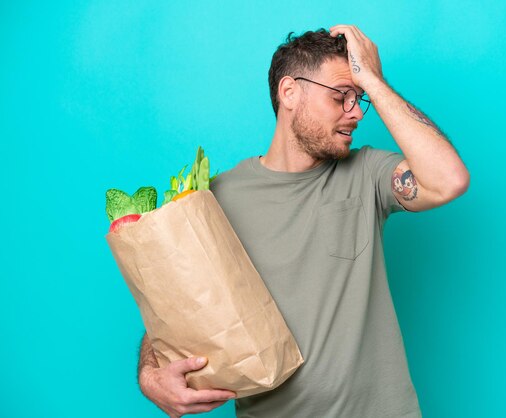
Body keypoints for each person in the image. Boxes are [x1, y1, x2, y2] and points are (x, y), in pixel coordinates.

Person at [137, 24, 470, 418]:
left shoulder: (368, 173)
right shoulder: (219, 198)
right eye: (341, 97)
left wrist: (374, 82)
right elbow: (180, 310)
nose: (357, 113)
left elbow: (449, 180)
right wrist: (149, 375)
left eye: (358, 98)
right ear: (290, 92)